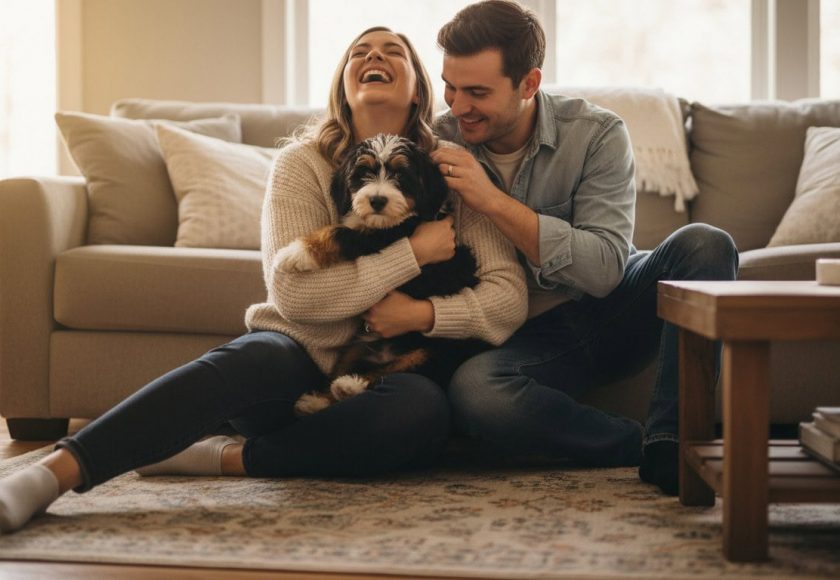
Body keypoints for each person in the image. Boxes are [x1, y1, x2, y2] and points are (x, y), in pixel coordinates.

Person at [0, 26, 527, 533]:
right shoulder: (301, 163)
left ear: (419, 87)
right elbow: (294, 295)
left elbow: (508, 298)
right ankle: (48, 476)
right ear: (343, 84)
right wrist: (409, 253)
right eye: (359, 51)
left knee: (421, 414)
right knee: (248, 359)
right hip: (292, 362)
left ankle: (227, 456)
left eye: (394, 51)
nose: (374, 56)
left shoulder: (454, 172)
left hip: (376, 386)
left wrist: (422, 315)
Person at [430, 0, 739, 496]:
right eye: (449, 86)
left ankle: (674, 440)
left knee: (706, 244)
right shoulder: (437, 140)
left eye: (477, 92)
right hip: (523, 338)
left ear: (529, 84)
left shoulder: (597, 134)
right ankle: (642, 444)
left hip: (611, 310)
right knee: (478, 394)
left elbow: (604, 271)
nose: (457, 105)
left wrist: (492, 202)